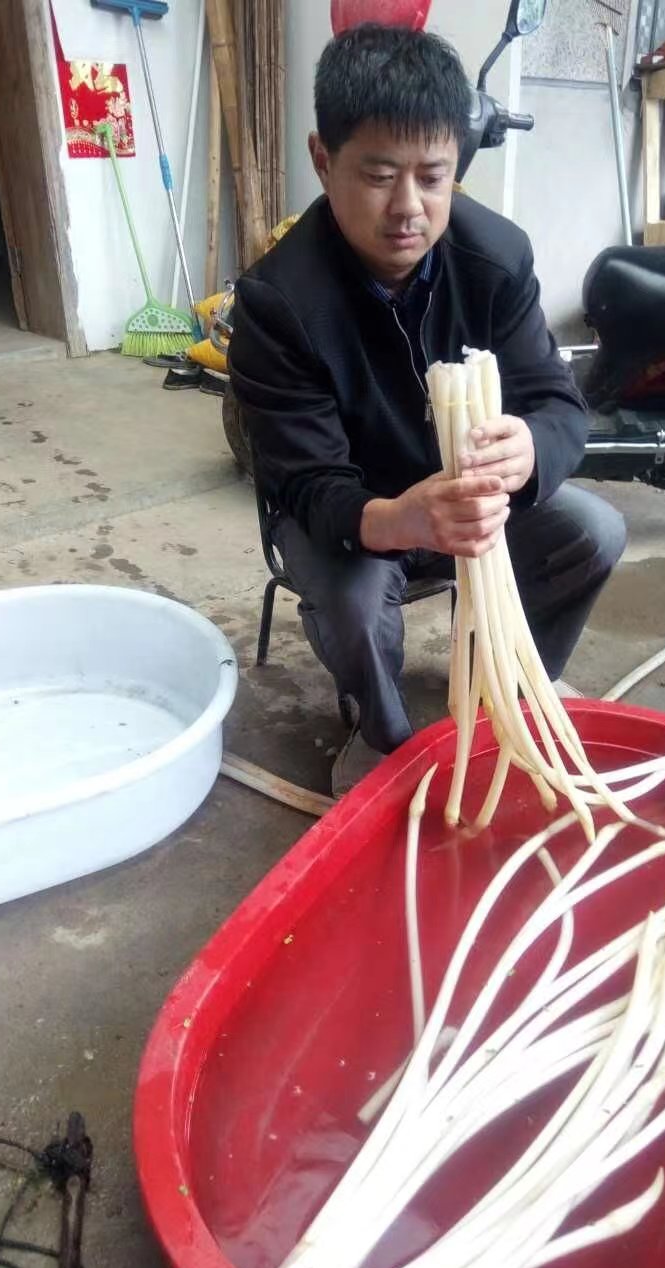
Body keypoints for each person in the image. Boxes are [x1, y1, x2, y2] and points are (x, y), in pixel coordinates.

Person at [229, 23, 625, 795]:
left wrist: (530, 447)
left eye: (433, 176)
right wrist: (397, 518)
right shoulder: (278, 302)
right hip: (352, 515)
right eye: (379, 176)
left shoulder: (496, 259)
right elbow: (306, 484)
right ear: (323, 160)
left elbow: (558, 404)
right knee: (353, 602)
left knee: (594, 531)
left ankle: (509, 686)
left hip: (466, 501)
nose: (408, 207)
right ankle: (383, 740)